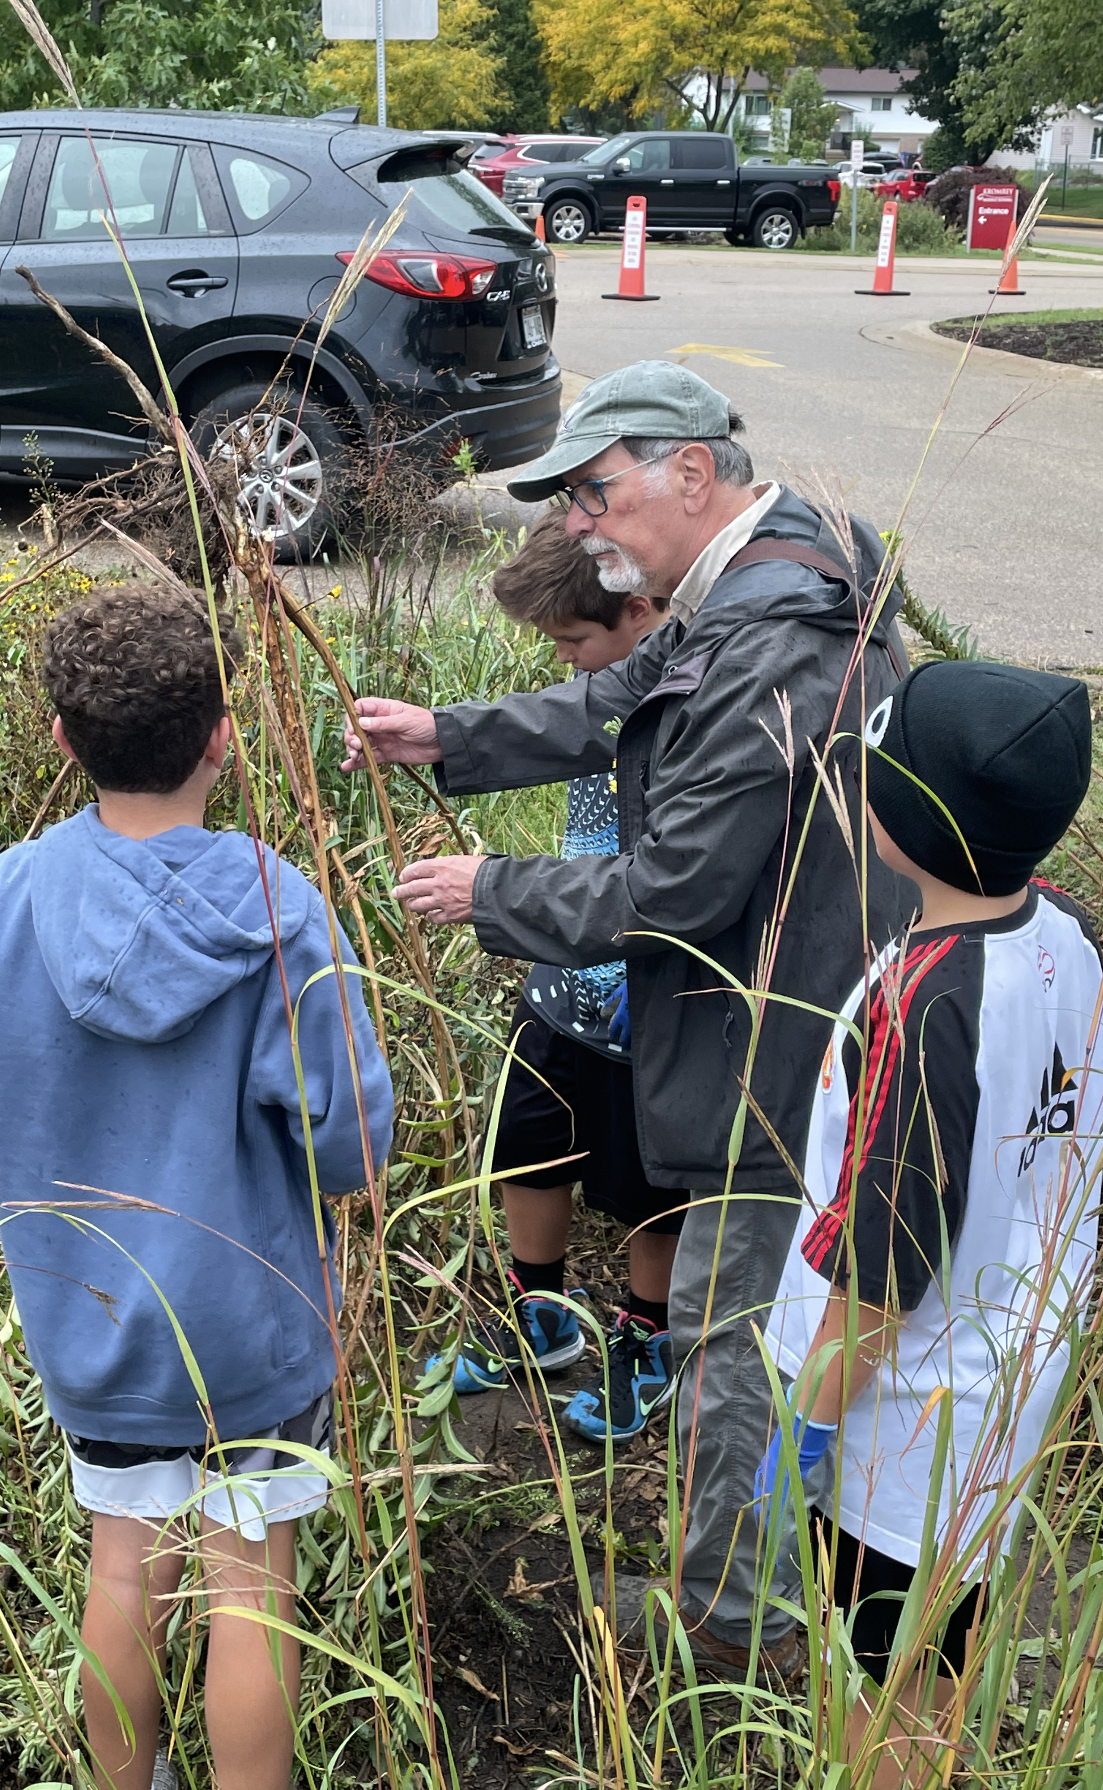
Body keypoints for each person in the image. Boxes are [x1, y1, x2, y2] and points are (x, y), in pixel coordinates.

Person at [341, 359, 911, 1681]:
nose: (585, 523)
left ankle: (731, 1628)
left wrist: (494, 891)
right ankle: (764, 1579)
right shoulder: (765, 574)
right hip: (797, 1002)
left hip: (779, 1037)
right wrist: (453, 735)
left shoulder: (780, 632)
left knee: (732, 1335)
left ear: (691, 473)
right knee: (757, 1326)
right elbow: (618, 698)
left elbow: (683, 885)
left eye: (598, 491)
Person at [0, 584, 393, 1790]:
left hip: (89, 1315)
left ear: (64, 737)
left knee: (122, 1558)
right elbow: (351, 1146)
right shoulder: (283, 911)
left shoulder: (9, 895)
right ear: (222, 734)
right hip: (252, 1322)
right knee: (255, 1580)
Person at [758, 661, 1103, 1787]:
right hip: (1008, 1384)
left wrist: (805, 1425)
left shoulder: (923, 999)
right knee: (938, 1655)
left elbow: (881, 1269)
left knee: (870, 1683)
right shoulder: (1065, 932)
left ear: (906, 819)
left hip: (898, 1422)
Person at [453, 512, 685, 1444]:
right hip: (562, 980)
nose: (566, 665)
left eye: (574, 643)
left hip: (648, 1002)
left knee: (645, 1185)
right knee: (526, 1143)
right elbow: (539, 737)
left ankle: (644, 1337)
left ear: (642, 613)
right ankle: (535, 1316)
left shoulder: (692, 703)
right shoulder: (603, 689)